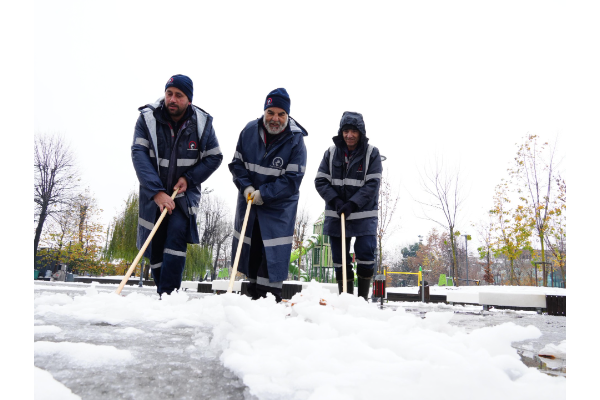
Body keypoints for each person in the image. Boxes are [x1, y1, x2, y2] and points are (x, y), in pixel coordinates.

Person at [131, 74, 222, 297]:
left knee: (176, 237)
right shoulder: (147, 118)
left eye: (178, 95)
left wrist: (189, 179)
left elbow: (214, 157)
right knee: (155, 242)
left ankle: (169, 294)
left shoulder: (202, 122)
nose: (172, 99)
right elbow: (139, 154)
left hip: (183, 196)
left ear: (188, 99)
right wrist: (157, 192)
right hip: (154, 194)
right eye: (169, 93)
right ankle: (163, 293)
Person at [229, 88, 308, 302]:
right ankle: (252, 301)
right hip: (249, 205)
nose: (275, 118)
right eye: (270, 112)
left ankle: (270, 303)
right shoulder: (248, 131)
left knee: (271, 258)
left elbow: (292, 180)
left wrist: (264, 193)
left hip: (278, 210)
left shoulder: (296, 140)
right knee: (251, 255)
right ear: (264, 111)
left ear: (288, 116)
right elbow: (237, 164)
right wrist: (245, 187)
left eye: (281, 114)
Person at [314, 111, 382, 300]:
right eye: (346, 131)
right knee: (339, 259)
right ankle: (346, 299)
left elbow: (372, 184)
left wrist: (353, 203)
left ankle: (361, 300)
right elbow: (320, 180)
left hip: (364, 215)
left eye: (354, 131)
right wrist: (335, 200)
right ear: (341, 132)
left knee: (366, 255)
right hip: (337, 215)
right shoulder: (330, 153)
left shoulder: (372, 153)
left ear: (361, 132)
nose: (349, 135)